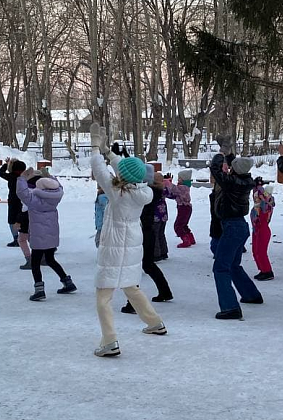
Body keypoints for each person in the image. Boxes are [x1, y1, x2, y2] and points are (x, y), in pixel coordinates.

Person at [90, 124, 166, 357]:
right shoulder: (142, 189)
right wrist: (109, 152)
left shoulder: (117, 193)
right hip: (132, 241)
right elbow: (125, 169)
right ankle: (155, 323)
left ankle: (109, 341)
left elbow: (100, 172)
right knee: (130, 286)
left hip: (115, 244)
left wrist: (95, 148)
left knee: (104, 294)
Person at [210, 135, 263, 320]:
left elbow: (215, 168)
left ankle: (230, 307)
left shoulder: (231, 182)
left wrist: (221, 152)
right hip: (239, 226)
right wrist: (229, 154)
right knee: (233, 265)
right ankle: (251, 294)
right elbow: (236, 165)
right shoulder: (246, 180)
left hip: (232, 227)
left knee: (220, 268)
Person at [16, 169, 75, 301]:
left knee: (35, 262)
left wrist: (22, 178)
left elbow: (21, 192)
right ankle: (67, 281)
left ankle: (39, 289)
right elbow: (59, 186)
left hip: (38, 235)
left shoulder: (34, 199)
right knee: (50, 259)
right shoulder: (56, 198)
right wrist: (49, 177)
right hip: (52, 234)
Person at [122, 165, 174, 309]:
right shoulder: (155, 191)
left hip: (140, 232)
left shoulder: (144, 193)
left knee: (134, 266)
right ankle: (165, 291)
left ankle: (133, 302)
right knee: (148, 264)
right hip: (148, 231)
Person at [250, 178, 276, 281]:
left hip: (262, 230)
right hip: (257, 229)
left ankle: (267, 271)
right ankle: (262, 270)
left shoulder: (265, 206)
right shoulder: (259, 204)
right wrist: (256, 187)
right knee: (255, 251)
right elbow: (257, 195)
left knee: (260, 252)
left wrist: (259, 187)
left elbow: (261, 195)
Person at [0, 158, 27, 247]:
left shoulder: (11, 176)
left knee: (12, 220)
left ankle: (16, 239)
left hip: (13, 201)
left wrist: (6, 164)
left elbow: (0, 173)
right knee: (25, 219)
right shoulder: (25, 177)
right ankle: (27, 237)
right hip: (24, 200)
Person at [164, 170, 195, 248]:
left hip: (183, 208)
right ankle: (191, 238)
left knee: (178, 225)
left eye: (179, 179)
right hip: (186, 208)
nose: (178, 180)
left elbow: (174, 189)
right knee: (184, 225)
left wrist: (167, 182)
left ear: (184, 180)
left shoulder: (182, 188)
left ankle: (186, 240)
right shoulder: (185, 186)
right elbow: (174, 194)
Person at [153, 172, 170, 261]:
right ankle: (164, 252)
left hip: (155, 216)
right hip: (163, 215)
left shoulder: (154, 189)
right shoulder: (164, 188)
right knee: (161, 234)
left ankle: (156, 254)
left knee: (155, 235)